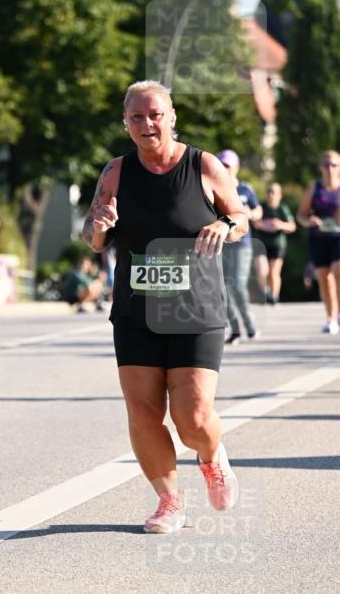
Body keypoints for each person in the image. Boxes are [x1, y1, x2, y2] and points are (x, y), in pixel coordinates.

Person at [83, 80, 249, 534]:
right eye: (137, 116)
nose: (147, 123)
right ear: (126, 123)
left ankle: (211, 457)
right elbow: (93, 238)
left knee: (192, 419)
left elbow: (240, 218)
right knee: (142, 413)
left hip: (196, 309)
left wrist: (224, 224)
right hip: (136, 311)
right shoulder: (116, 172)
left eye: (155, 114)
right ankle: (169, 501)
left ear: (171, 117)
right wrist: (100, 226)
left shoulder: (203, 165)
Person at [216, 149, 262, 345]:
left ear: (236, 167)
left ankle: (249, 324)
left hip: (242, 244)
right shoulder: (213, 187)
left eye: (228, 165)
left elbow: (258, 211)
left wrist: (247, 214)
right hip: (221, 243)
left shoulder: (245, 189)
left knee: (237, 284)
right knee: (224, 287)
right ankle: (235, 330)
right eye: (221, 165)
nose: (225, 168)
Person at [296, 150, 340, 334]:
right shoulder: (315, 188)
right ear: (321, 167)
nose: (330, 168)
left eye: (334, 165)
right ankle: (331, 318)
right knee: (324, 279)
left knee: (338, 271)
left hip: (338, 237)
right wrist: (310, 221)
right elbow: (301, 215)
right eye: (326, 165)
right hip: (318, 238)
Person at [253, 183, 296, 305]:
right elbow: (255, 221)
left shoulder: (282, 208)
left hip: (278, 244)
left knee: (273, 272)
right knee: (262, 271)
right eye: (269, 191)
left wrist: (279, 224)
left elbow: (292, 226)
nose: (271, 195)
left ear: (279, 195)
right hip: (262, 244)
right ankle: (265, 292)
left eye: (274, 192)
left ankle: (274, 296)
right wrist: (263, 225)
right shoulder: (261, 206)